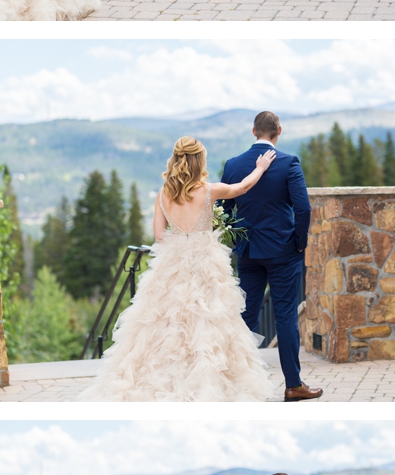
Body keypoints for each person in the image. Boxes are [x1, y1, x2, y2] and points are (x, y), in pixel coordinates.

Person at [79, 136, 278, 402]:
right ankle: (205, 380)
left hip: (172, 261)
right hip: (205, 262)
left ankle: (157, 379)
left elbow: (159, 234)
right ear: (199, 161)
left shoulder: (164, 193)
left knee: (164, 321)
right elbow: (242, 188)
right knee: (207, 319)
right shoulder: (207, 190)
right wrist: (261, 167)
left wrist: (181, 233)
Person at [222, 111, 322, 402]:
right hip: (282, 251)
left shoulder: (233, 164)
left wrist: (239, 240)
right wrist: (299, 242)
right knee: (286, 316)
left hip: (249, 252)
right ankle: (293, 385)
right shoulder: (289, 162)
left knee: (246, 316)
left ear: (254, 131)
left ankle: (238, 383)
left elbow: (225, 213)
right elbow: (303, 209)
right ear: (279, 130)